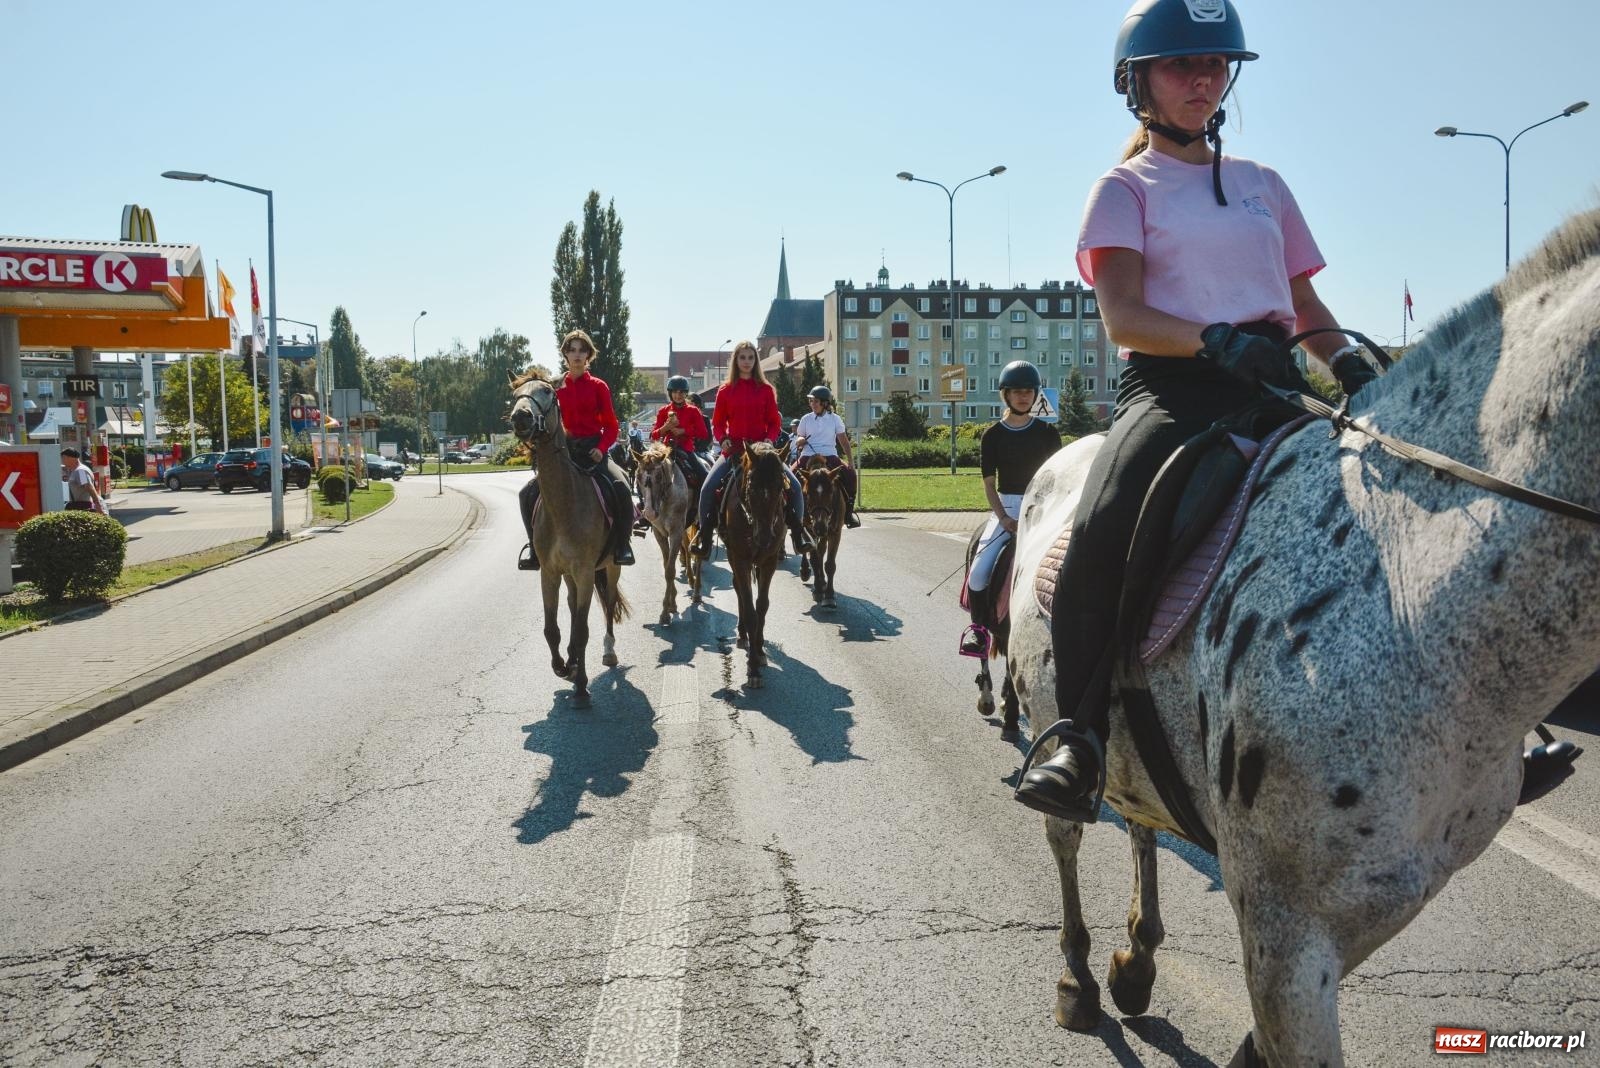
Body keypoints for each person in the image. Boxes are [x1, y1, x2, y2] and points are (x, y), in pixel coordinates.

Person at [1014, 0, 1379, 822]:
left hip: (1275, 385)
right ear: (1137, 82)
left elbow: (1302, 302)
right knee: (1102, 531)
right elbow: (1125, 319)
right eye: (1183, 64)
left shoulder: (1263, 186)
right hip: (1175, 390)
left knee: (1390, 501)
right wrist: (1213, 341)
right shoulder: (1123, 189)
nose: (1203, 80)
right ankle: (1076, 738)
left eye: (1215, 65)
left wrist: (1350, 364)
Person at [961, 363, 1061, 656]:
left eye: (1028, 391)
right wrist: (1004, 517)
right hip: (1006, 509)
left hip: (1042, 507)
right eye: (1016, 391)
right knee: (978, 574)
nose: (1023, 396)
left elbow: (1055, 478)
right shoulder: (992, 436)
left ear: (1035, 394)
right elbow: (989, 484)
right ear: (1005, 395)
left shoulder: (1047, 433)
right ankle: (979, 632)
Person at [517, 329, 636, 570]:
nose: (577, 354)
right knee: (526, 493)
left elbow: (611, 426)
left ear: (589, 355)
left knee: (622, 486)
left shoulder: (599, 387)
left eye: (582, 350)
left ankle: (622, 545)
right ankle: (534, 549)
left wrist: (602, 448)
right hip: (565, 452)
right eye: (572, 349)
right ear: (565, 355)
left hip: (594, 450)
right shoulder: (554, 388)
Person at [691, 340, 814, 558]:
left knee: (794, 486)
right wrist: (723, 438)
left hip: (763, 453)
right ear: (736, 361)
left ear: (755, 361)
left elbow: (775, 422)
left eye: (750, 358)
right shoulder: (725, 390)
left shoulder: (766, 389)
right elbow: (717, 423)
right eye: (742, 358)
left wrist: (769, 439)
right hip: (735, 450)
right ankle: (704, 537)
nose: (746, 362)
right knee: (707, 488)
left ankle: (798, 534)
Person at [791, 385, 862, 529]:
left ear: (824, 403)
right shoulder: (805, 419)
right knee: (789, 477)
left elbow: (843, 441)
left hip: (829, 455)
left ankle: (848, 514)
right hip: (808, 455)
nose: (812, 404)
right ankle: (788, 512)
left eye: (816, 401)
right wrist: (800, 441)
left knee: (850, 475)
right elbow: (800, 436)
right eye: (811, 401)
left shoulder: (835, 419)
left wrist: (851, 462)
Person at [650, 375, 712, 483]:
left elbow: (703, 434)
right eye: (675, 392)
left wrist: (684, 431)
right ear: (670, 393)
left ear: (686, 393)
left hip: (687, 450)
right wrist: (665, 428)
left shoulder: (693, 410)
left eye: (681, 392)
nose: (678, 395)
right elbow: (653, 436)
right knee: (647, 472)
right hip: (665, 450)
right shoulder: (663, 411)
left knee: (705, 476)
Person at [61, 447, 105, 514]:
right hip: (78, 506)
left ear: (72, 458)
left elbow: (89, 487)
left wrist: (98, 505)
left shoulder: (80, 471)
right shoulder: (75, 470)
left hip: (83, 507)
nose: (63, 461)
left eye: (64, 458)